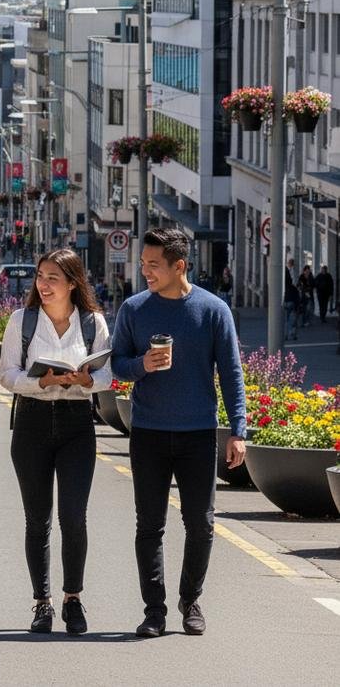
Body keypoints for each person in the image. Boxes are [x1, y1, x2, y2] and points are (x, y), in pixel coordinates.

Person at [111, 228, 246, 638]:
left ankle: (191, 600)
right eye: (143, 264)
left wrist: (238, 429)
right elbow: (117, 363)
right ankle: (154, 611)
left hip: (198, 433)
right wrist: (141, 367)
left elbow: (232, 373)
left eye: (154, 265)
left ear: (179, 266)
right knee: (149, 525)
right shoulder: (133, 310)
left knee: (200, 523)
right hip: (149, 432)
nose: (145, 272)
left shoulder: (212, 310)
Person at [0, 250, 112, 636]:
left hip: (76, 424)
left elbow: (107, 375)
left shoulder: (93, 322)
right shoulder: (22, 320)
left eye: (52, 279)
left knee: (74, 517)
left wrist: (85, 381)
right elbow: (8, 375)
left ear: (72, 284)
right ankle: (42, 602)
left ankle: (73, 599)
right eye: (40, 277)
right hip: (31, 420)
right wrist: (42, 382)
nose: (43, 285)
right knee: (37, 519)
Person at [284, 268, 300, 341]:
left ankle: (286, 335)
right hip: (292, 303)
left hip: (284, 302)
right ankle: (293, 334)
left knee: (286, 320)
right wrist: (297, 307)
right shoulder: (293, 288)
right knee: (293, 320)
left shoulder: (283, 288)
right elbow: (297, 297)